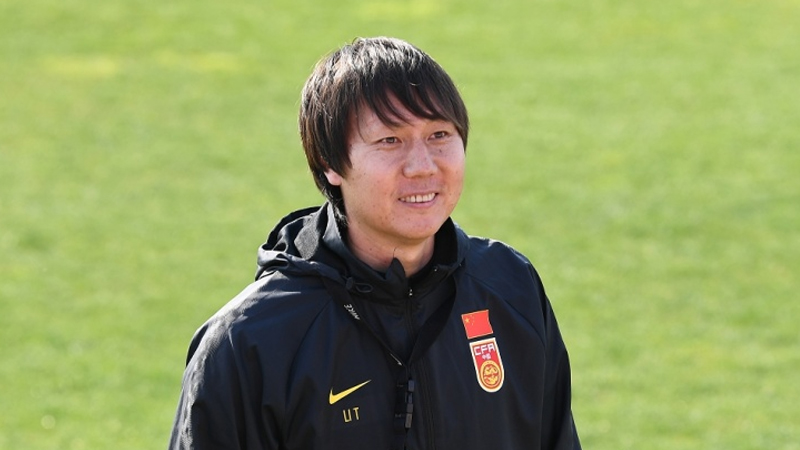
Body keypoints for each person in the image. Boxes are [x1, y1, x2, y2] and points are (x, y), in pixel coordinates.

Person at [169, 36, 581, 450]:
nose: (422, 167)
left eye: (439, 134)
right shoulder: (247, 343)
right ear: (330, 163)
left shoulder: (512, 287)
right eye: (390, 140)